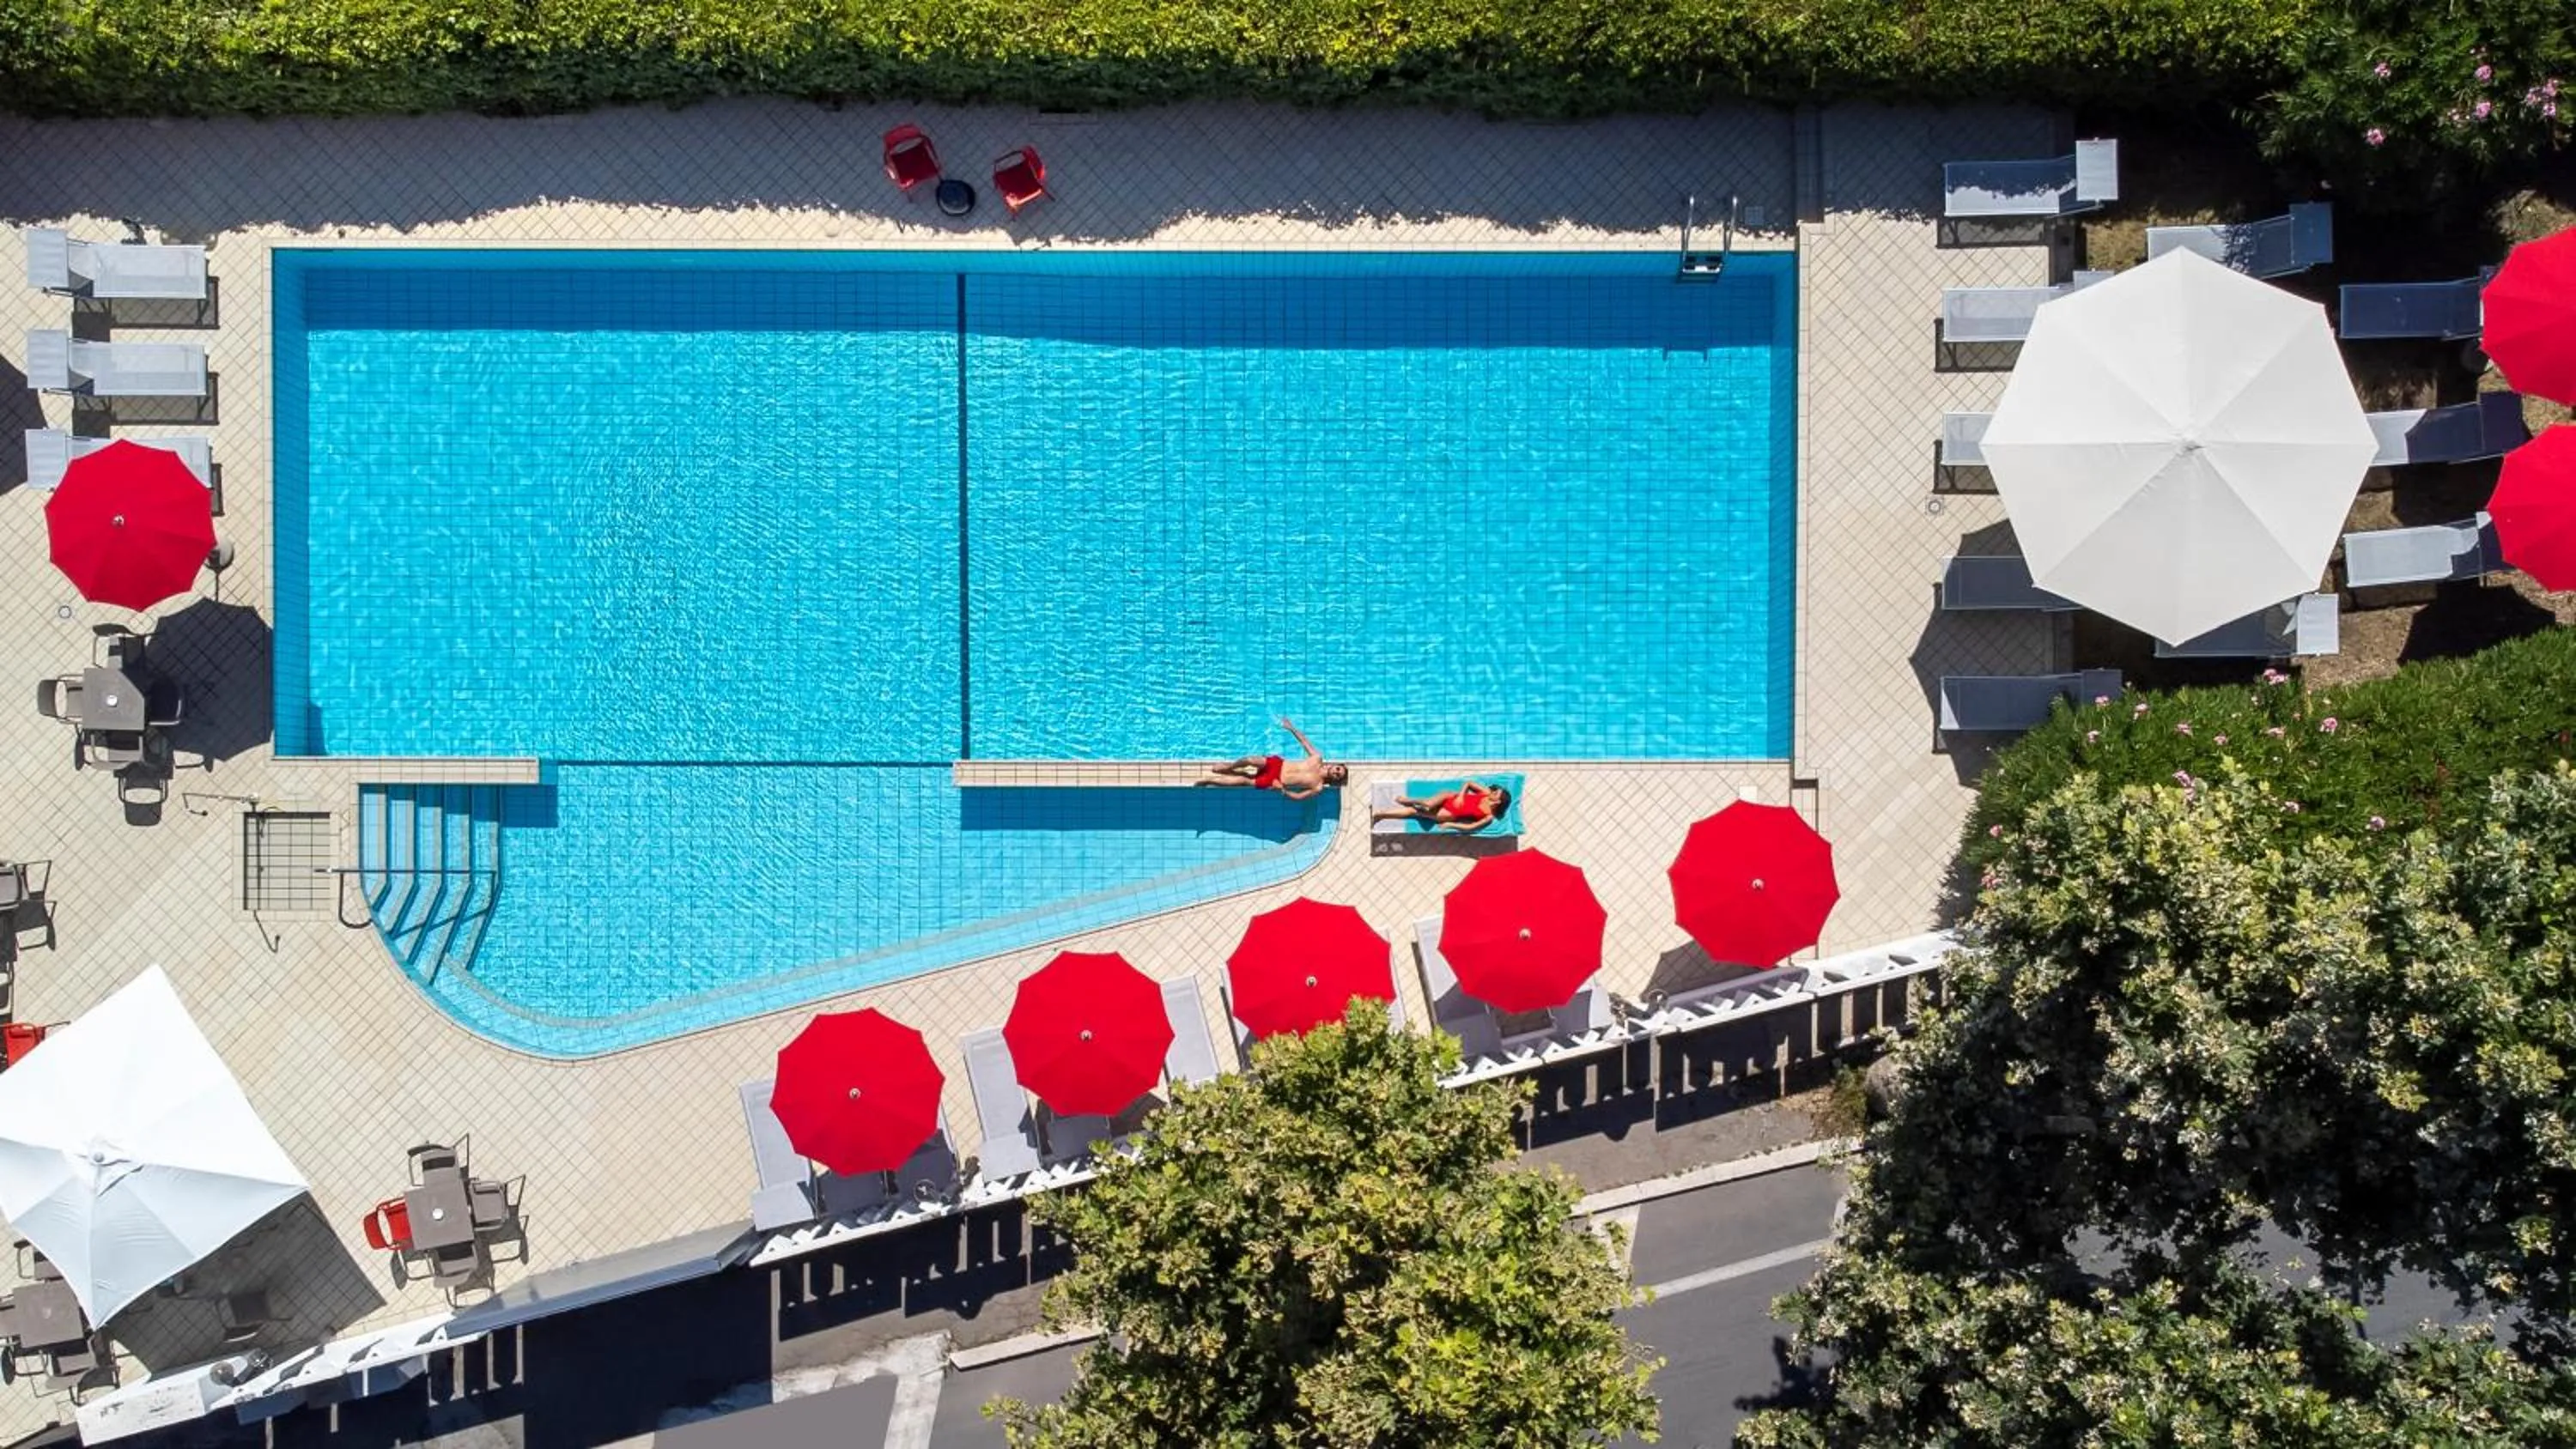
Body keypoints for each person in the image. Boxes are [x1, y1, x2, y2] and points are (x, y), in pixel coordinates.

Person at [1200, 717, 1347, 801]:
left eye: (1338, 775)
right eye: (1338, 769)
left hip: (1276, 781)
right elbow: (1304, 741)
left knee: (1244, 780)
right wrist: (1291, 728)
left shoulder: (1318, 786)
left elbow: (1299, 797)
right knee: (1250, 760)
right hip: (1278, 765)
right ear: (1335, 765)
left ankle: (1209, 781)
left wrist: (1282, 790)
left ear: (1335, 779)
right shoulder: (1317, 758)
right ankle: (1230, 767)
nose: (1336, 772)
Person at [1372, 779, 1511, 834]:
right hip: (1450, 797)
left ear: (1498, 801)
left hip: (1450, 814)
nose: (1493, 792)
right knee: (1427, 804)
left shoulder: (1489, 817)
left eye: (1496, 793)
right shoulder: (1486, 793)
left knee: (1414, 812)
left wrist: (1451, 825)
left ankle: (1381, 814)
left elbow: (1471, 827)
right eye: (1495, 790)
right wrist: (1462, 795)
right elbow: (1468, 783)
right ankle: (1409, 799)